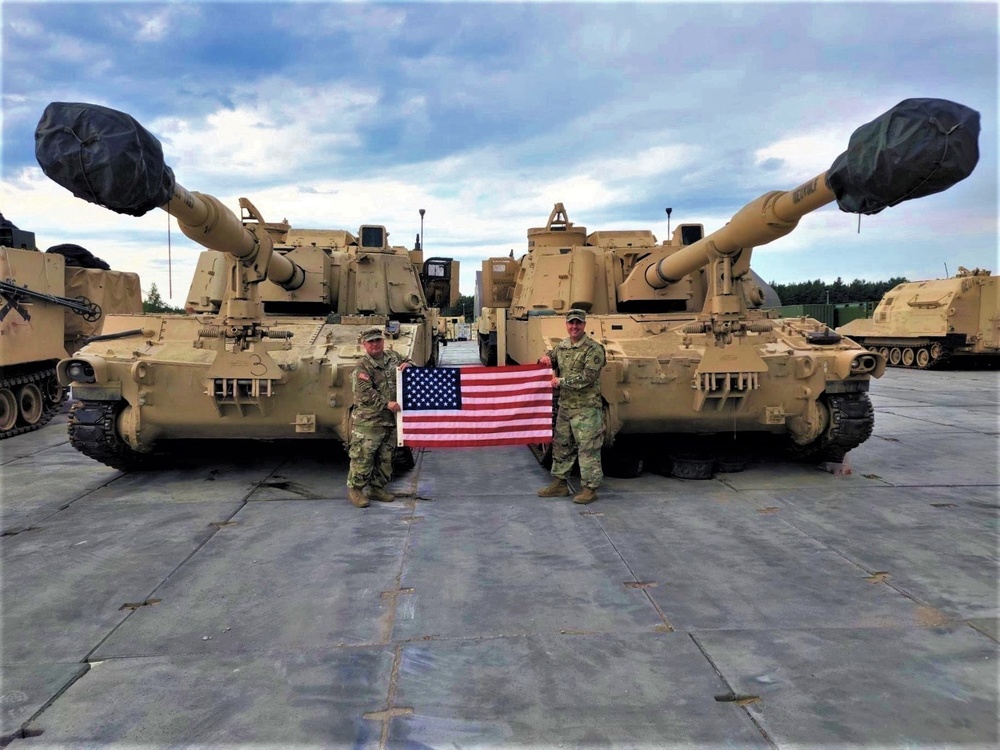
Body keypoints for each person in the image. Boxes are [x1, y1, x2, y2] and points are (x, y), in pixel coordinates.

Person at [536, 308, 607, 504]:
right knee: (561, 445)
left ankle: (589, 488)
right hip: (566, 406)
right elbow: (552, 355)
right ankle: (559, 484)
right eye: (571, 323)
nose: (574, 326)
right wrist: (546, 358)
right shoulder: (563, 346)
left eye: (578, 323)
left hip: (586, 408)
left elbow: (588, 377)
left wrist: (561, 381)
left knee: (588, 447)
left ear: (584, 325)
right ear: (566, 325)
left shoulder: (594, 349)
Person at [347, 327, 412, 508]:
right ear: (364, 345)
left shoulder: (393, 357)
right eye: (371, 342)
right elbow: (364, 393)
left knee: (386, 457)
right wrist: (386, 403)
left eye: (378, 340)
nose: (375, 344)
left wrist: (410, 365)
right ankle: (356, 490)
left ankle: (377, 488)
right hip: (369, 421)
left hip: (390, 420)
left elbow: (408, 361)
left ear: (382, 341)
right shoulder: (362, 366)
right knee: (363, 456)